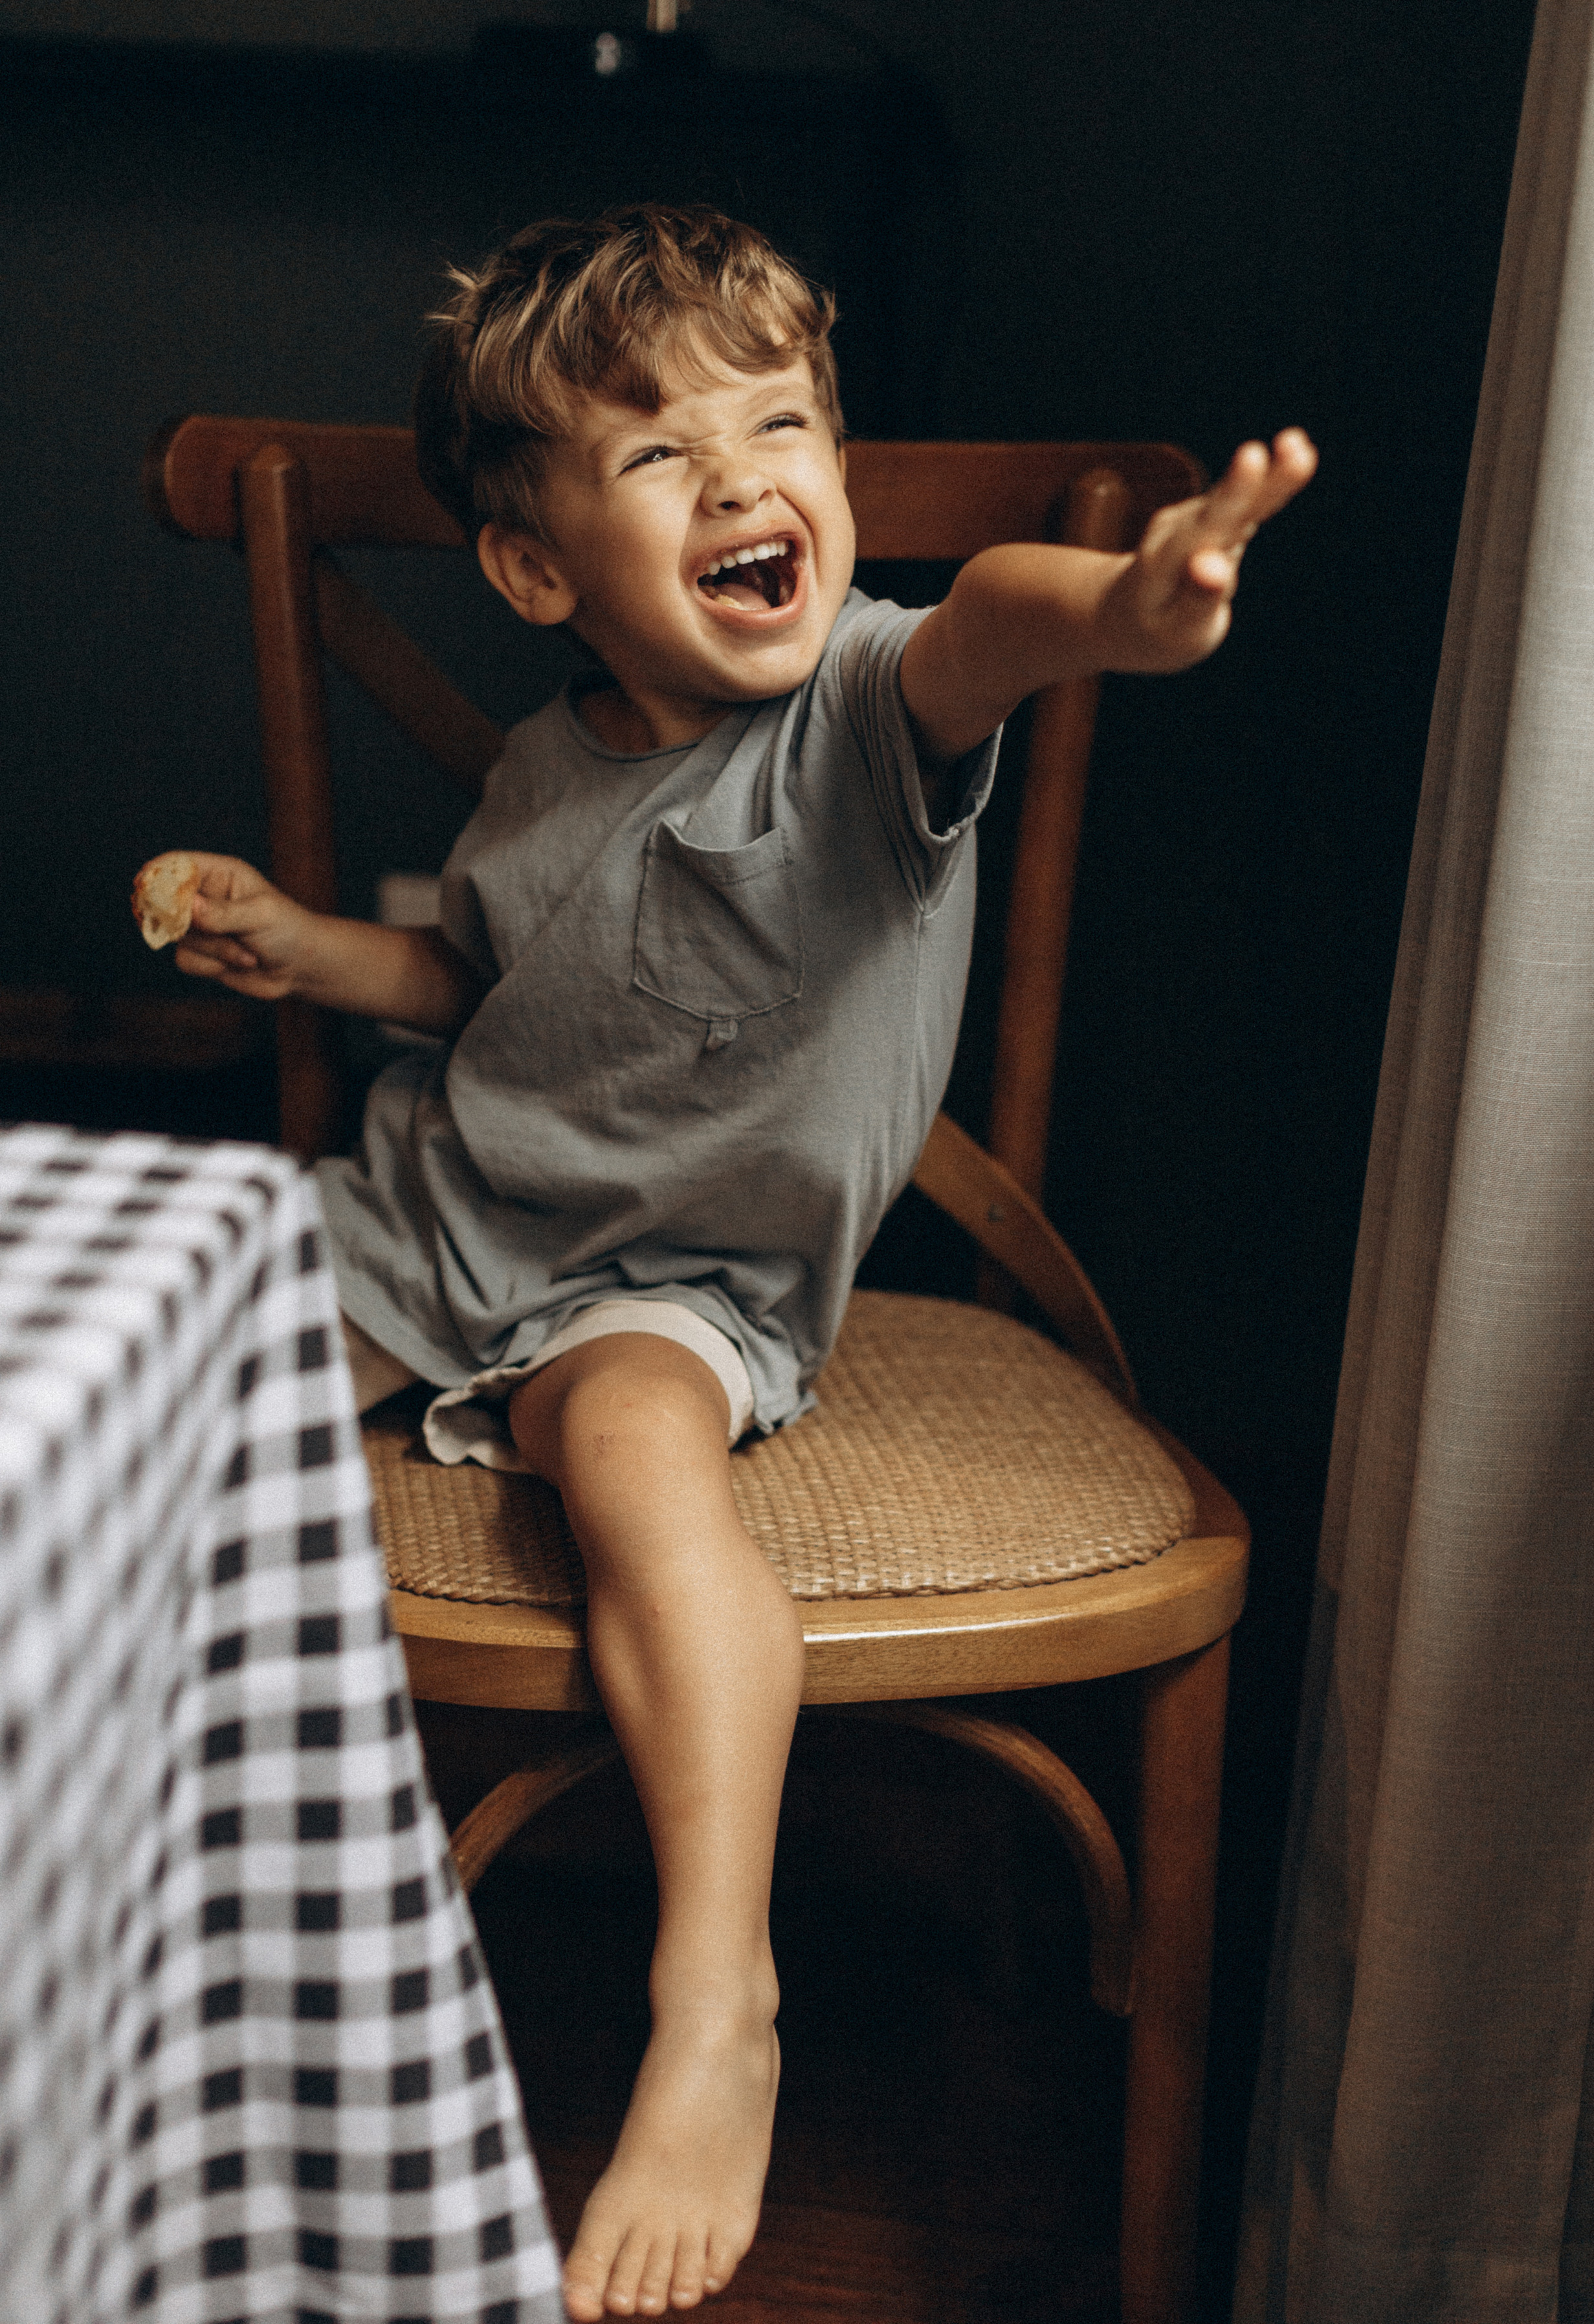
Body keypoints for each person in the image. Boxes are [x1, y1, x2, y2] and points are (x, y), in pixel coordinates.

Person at [158, 206, 1316, 2319]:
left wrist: (1134, 610)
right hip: (433, 1219)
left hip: (666, 1292)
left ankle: (717, 2003)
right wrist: (309, 951)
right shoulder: (540, 767)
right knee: (122, 1375)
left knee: (635, 1474)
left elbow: (1006, 625)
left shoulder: (877, 704)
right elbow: (486, 983)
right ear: (536, 571)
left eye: (778, 425)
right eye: (660, 454)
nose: (742, 477)